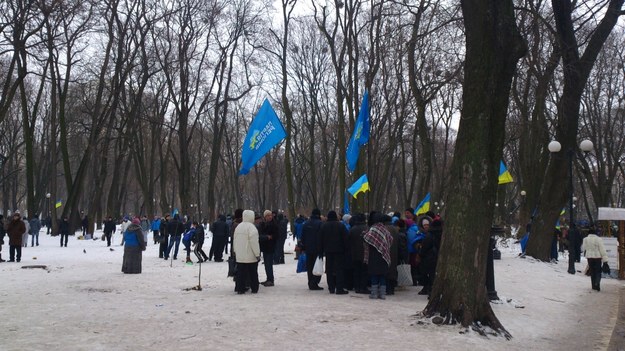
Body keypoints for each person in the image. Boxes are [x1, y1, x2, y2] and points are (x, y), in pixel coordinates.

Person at [363, 214, 394, 299]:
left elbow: (366, 238)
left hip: (373, 255)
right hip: (384, 255)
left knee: (374, 275)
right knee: (383, 275)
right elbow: (390, 239)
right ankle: (383, 294)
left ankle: (374, 293)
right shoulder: (385, 230)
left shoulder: (372, 229)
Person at [319, 210, 349, 295]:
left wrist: (321, 251)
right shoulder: (341, 225)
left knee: (329, 269)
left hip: (328, 251)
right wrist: (346, 249)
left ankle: (331, 287)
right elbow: (345, 238)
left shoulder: (324, 226)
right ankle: (339, 288)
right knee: (339, 269)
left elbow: (320, 239)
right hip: (339, 251)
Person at [233, 210, 261, 294]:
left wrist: (235, 251)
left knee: (241, 273)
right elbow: (254, 242)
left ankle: (240, 288)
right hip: (250, 256)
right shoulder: (252, 228)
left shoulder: (238, 227)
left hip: (240, 256)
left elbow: (235, 240)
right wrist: (257, 254)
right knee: (253, 273)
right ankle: (254, 288)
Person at [300, 208, 324, 290]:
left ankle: (310, 282)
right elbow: (321, 237)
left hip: (308, 248)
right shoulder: (320, 223)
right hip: (317, 248)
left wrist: (303, 246)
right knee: (317, 265)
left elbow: (302, 236)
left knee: (310, 266)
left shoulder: (306, 223)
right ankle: (315, 282)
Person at [347, 212, 369, 294]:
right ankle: (363, 287)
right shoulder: (367, 228)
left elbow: (348, 241)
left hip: (354, 254)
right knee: (364, 271)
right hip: (365, 253)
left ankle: (357, 287)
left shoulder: (352, 229)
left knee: (356, 271)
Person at [259, 210, 278, 286]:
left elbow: (276, 235)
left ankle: (270, 279)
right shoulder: (263, 224)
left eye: (270, 215)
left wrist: (270, 237)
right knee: (266, 264)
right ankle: (268, 278)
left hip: (270, 246)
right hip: (265, 246)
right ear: (265, 217)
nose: (270, 217)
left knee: (269, 264)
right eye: (268, 215)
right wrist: (267, 237)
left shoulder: (274, 224)